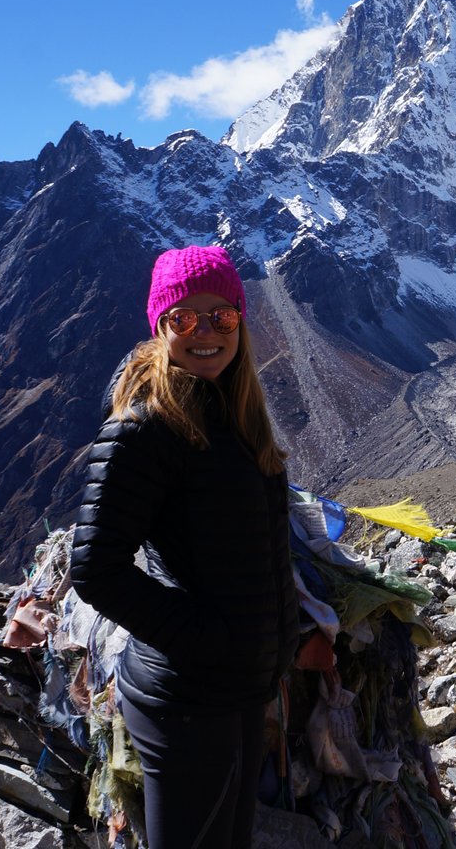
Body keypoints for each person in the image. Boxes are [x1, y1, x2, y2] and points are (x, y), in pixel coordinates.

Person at [69, 245, 297, 849]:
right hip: (188, 695)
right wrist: (207, 640)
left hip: (235, 688)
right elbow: (94, 567)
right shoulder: (144, 428)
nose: (206, 333)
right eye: (185, 318)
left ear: (241, 322)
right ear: (160, 325)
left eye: (223, 316)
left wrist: (275, 643)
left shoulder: (235, 416)